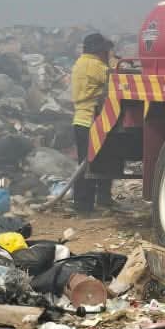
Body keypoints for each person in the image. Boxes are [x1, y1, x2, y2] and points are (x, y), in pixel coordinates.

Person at [69, 33, 114, 213]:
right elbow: (117, 79)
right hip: (89, 120)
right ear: (99, 50)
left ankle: (98, 200)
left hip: (83, 120)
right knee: (88, 165)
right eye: (106, 50)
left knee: (93, 162)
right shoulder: (94, 65)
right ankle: (83, 206)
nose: (108, 53)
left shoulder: (81, 62)